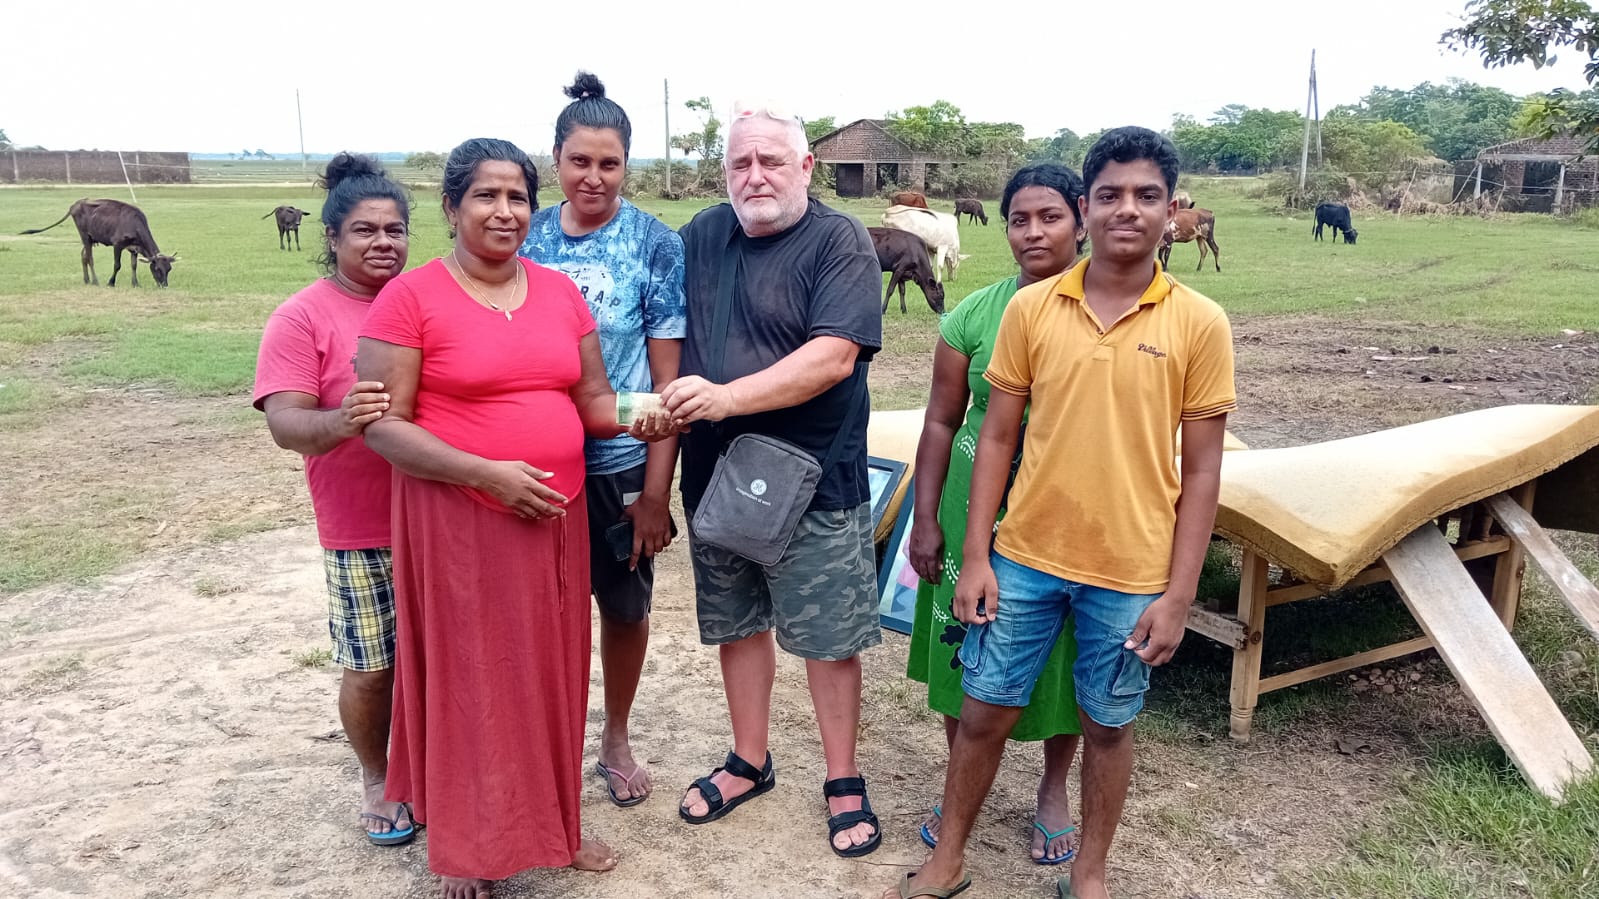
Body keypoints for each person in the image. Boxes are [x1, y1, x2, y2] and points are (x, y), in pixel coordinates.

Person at [888, 127, 1236, 899]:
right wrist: (974, 557)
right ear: (1088, 206)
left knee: (1107, 724)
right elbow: (995, 437)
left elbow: (1203, 468)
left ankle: (1089, 875)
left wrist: (1178, 595)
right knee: (983, 709)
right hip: (1023, 558)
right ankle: (947, 859)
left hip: (1130, 570)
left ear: (1169, 209)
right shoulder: (1032, 309)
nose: (1126, 209)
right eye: (1110, 194)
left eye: (1146, 195)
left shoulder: (1198, 321)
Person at [357, 138, 674, 899]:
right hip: (460, 521)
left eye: (518, 198)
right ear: (451, 206)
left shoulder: (559, 294)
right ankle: (470, 845)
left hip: (550, 520)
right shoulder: (409, 299)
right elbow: (383, 426)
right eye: (486, 196)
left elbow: (592, 402)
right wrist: (485, 474)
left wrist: (653, 409)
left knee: (550, 674)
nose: (505, 211)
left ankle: (556, 825)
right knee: (473, 676)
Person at [660, 99, 885, 858]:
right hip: (717, 474)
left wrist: (726, 397)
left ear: (806, 167)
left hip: (812, 479)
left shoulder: (839, 240)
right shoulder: (702, 235)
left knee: (828, 640)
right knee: (738, 623)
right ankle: (748, 759)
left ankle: (843, 775)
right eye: (740, 163)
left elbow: (833, 356)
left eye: (771, 161)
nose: (754, 176)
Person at [906, 163, 1088, 867]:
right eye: (1019, 219)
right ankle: (960, 787)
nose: (1033, 232)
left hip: (1068, 509)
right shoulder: (974, 314)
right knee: (965, 642)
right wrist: (926, 519)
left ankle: (1053, 788)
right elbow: (941, 420)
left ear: (1080, 219)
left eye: (1050, 216)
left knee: (1066, 649)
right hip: (969, 506)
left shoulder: (1102, 310)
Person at [519, 71, 685, 809]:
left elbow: (666, 381)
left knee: (623, 607)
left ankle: (615, 737)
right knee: (538, 613)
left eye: (609, 163)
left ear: (627, 165)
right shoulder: (524, 235)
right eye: (579, 161)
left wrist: (654, 492)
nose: (593, 176)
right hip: (530, 462)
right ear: (555, 158)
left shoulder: (654, 244)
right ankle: (543, 742)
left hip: (619, 463)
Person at [252, 152, 414, 847]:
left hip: (440, 514)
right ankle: (378, 777)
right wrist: (342, 419)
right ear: (332, 236)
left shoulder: (428, 299)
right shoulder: (303, 316)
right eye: (364, 230)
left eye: (394, 229)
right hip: (360, 523)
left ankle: (434, 768)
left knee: (442, 660)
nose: (382, 242)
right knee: (373, 664)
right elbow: (286, 423)